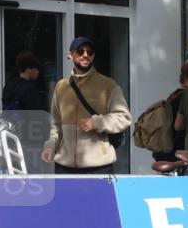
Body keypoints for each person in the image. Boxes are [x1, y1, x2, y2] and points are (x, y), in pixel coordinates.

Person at [42, 36, 131, 175]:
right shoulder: (61, 87)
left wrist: (97, 122)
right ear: (70, 55)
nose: (85, 55)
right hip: (64, 166)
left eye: (90, 52)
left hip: (99, 166)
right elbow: (56, 125)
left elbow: (124, 118)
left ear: (93, 56)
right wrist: (51, 146)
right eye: (80, 51)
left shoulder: (108, 85)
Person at [2, 52, 48, 172]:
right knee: (32, 173)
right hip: (29, 139)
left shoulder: (9, 86)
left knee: (14, 171)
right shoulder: (30, 88)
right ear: (28, 70)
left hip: (11, 137)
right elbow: (36, 117)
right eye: (36, 69)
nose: (38, 72)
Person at [152, 61, 188, 162]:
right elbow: (179, 125)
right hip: (176, 151)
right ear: (185, 79)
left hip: (166, 150)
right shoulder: (186, 97)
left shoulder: (174, 95)